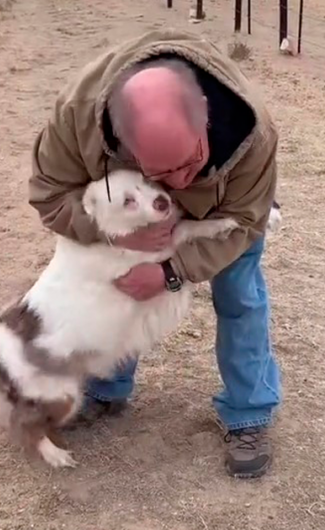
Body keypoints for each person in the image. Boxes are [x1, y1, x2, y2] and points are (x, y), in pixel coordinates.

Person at [27, 29, 281, 479]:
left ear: (204, 115)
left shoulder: (252, 133)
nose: (179, 184)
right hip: (131, 215)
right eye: (162, 171)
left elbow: (245, 224)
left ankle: (250, 413)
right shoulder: (78, 116)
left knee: (240, 296)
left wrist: (172, 271)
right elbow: (49, 197)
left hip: (223, 215)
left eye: (190, 162)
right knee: (121, 288)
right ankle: (108, 386)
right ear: (123, 144)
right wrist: (113, 236)